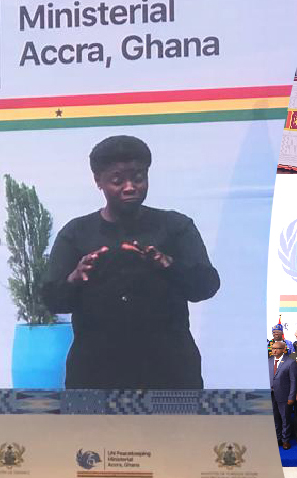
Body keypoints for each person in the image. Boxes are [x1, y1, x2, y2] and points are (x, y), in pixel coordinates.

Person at [43, 135, 219, 389]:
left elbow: (207, 286)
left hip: (171, 372)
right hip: (95, 374)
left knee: (179, 431)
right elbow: (53, 300)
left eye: (138, 177)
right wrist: (73, 278)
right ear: (98, 181)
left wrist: (168, 264)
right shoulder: (76, 233)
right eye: (117, 180)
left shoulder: (176, 227)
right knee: (93, 432)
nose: (130, 187)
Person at [270, 341, 297, 450]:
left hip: (284, 396)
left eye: (277, 348)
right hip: (271, 395)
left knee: (285, 418)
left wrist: (291, 396)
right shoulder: (268, 361)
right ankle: (278, 438)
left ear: (283, 349)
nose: (274, 350)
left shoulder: (290, 362)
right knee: (275, 418)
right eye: (273, 348)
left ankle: (285, 440)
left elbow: (293, 381)